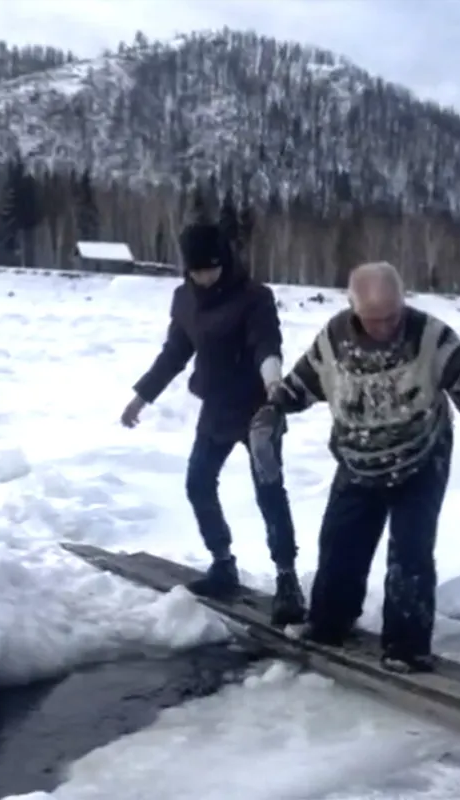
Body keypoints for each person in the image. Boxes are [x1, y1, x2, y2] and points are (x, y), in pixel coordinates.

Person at [249, 261, 460, 674]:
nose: (386, 327)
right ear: (355, 311)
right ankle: (330, 623)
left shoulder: (428, 335)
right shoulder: (334, 340)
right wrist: (273, 409)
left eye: (392, 316)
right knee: (339, 544)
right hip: (357, 458)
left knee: (410, 553)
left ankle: (407, 646)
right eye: (374, 320)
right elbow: (301, 383)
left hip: (421, 457)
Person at [121, 220, 305, 626]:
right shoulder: (185, 299)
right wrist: (141, 396)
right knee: (198, 483)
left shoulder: (255, 297)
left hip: (259, 411)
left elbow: (266, 344)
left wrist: (274, 383)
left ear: (225, 261)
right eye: (196, 270)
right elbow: (175, 353)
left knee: (269, 493)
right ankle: (223, 563)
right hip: (216, 408)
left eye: (210, 268)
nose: (204, 277)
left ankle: (288, 580)